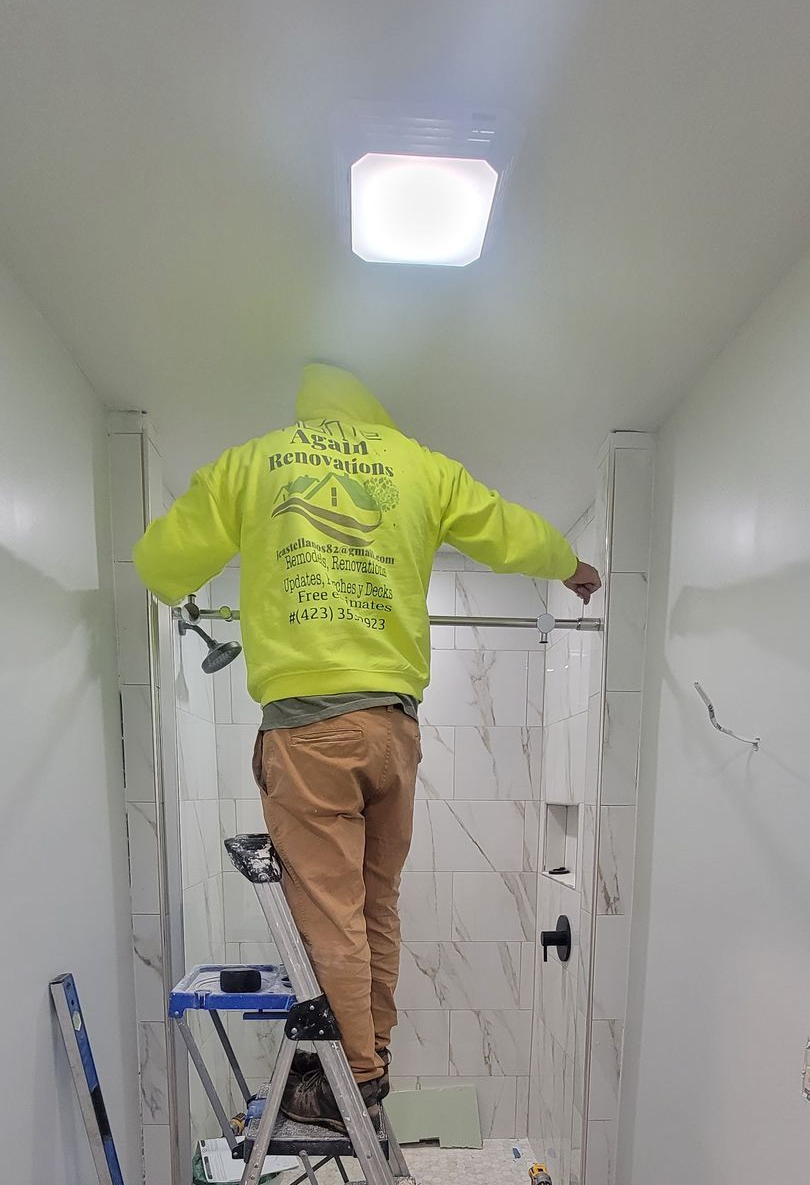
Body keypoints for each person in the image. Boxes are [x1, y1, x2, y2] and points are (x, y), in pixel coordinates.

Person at [133, 364, 601, 1131]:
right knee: (375, 902)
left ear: (307, 409)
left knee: (330, 910)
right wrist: (570, 566)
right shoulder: (419, 464)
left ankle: (350, 1076)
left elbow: (159, 565)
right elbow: (511, 531)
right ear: (370, 412)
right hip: (393, 728)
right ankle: (371, 1053)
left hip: (310, 726)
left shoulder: (256, 462)